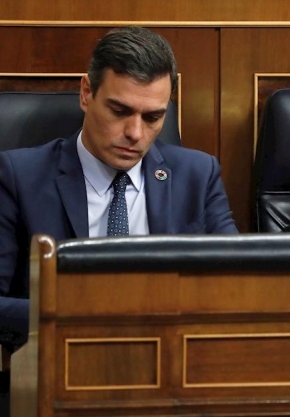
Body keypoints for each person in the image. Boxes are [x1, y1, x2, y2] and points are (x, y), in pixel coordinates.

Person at [0, 26, 238, 351]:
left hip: (172, 366)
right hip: (57, 365)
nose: (135, 133)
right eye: (120, 111)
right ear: (86, 93)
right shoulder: (19, 176)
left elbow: (235, 287)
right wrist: (86, 316)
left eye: (153, 117)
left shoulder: (198, 175)